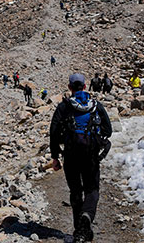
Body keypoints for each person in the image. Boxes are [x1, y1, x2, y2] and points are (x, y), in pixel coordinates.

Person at [50, 73, 113, 242]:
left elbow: (53, 133)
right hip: (91, 154)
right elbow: (109, 130)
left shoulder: (64, 106)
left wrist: (55, 157)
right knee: (92, 190)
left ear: (70, 88)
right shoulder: (95, 105)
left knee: (76, 191)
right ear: (85, 87)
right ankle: (87, 218)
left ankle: (79, 229)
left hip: (70, 155)